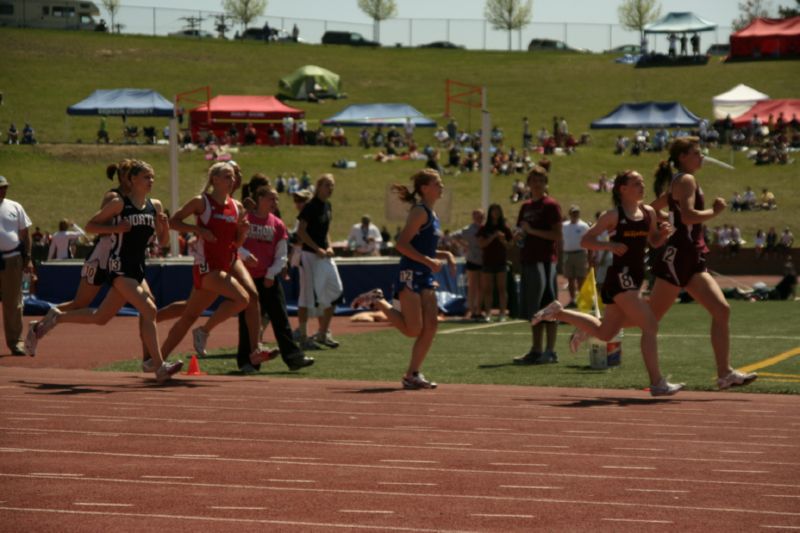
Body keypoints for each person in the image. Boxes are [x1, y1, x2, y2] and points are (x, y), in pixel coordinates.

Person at [25, 161, 184, 383]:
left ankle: (59, 318)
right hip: (118, 267)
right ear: (132, 179)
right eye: (147, 177)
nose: (152, 181)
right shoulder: (118, 203)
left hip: (138, 269)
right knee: (149, 309)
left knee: (101, 317)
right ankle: (158, 366)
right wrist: (115, 228)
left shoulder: (154, 205)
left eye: (153, 177)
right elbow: (90, 226)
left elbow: (164, 242)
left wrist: (164, 227)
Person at [533, 170, 682, 396]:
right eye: (636, 183)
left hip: (635, 275)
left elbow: (652, 240)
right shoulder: (613, 216)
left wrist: (662, 235)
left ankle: (559, 312)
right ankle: (657, 382)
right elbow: (586, 240)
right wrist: (609, 246)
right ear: (622, 189)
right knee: (650, 324)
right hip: (620, 277)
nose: (642, 186)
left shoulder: (649, 212)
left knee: (605, 332)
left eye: (643, 182)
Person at [648, 137, 757, 390]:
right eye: (697, 153)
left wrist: (668, 217)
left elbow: (652, 209)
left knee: (721, 310)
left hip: (691, 256)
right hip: (680, 256)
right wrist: (715, 212)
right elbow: (686, 216)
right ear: (683, 156)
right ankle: (599, 328)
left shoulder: (680, 180)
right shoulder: (685, 179)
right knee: (648, 317)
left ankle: (725, 373)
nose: (702, 156)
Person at [351, 169, 455, 389]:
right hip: (409, 273)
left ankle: (412, 374)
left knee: (432, 326)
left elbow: (422, 248)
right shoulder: (419, 212)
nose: (442, 186)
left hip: (424, 275)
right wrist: (428, 261)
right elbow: (401, 245)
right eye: (437, 183)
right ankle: (378, 300)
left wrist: (444, 255)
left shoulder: (433, 214)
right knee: (412, 330)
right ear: (425, 188)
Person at [159, 162, 262, 364]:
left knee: (189, 315)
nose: (231, 180)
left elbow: (236, 242)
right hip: (207, 266)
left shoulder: (237, 206)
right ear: (214, 179)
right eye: (226, 176)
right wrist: (199, 230)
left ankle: (157, 360)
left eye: (232, 177)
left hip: (225, 263)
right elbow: (173, 222)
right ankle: (202, 332)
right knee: (243, 299)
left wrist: (243, 231)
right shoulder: (201, 202)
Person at [237, 184, 314, 372]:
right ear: (260, 199)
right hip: (246, 277)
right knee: (248, 321)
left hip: (269, 278)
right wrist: (246, 255)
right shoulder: (246, 219)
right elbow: (234, 244)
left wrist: (271, 273)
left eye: (276, 199)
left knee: (280, 318)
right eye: (271, 198)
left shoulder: (277, 224)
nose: (275, 202)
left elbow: (281, 254)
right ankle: (248, 361)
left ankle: (294, 358)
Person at [513, 166, 563, 365]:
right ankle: (536, 349)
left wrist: (531, 231)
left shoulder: (550, 205)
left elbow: (556, 235)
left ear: (546, 183)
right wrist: (519, 235)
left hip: (545, 260)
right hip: (529, 259)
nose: (537, 183)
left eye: (541, 180)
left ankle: (550, 350)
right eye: (534, 180)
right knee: (534, 308)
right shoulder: (525, 206)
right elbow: (521, 231)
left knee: (548, 306)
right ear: (528, 183)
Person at [295, 174, 343, 349]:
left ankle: (323, 332)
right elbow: (301, 231)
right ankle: (303, 335)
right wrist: (317, 248)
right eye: (327, 185)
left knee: (335, 291)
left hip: (324, 256)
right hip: (309, 256)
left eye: (332, 185)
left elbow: (325, 231)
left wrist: (329, 246)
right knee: (307, 296)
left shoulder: (327, 205)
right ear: (319, 186)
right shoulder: (311, 206)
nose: (330, 188)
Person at [0, 175, 33, 355]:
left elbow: (25, 234)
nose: (3, 190)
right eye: (0, 187)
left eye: (5, 187)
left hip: (12, 259)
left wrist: (27, 258)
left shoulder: (15, 207)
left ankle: (15, 342)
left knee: (13, 302)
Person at [477, 204, 512, 321]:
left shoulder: (505, 228)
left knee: (502, 288)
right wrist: (493, 236)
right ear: (490, 212)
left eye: (498, 211)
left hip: (501, 261)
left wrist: (502, 240)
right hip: (488, 262)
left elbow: (509, 245)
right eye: (493, 211)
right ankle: (488, 313)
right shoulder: (484, 229)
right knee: (488, 289)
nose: (495, 213)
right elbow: (481, 244)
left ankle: (502, 313)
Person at [450, 209, 485, 321]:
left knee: (481, 287)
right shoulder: (468, 229)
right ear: (473, 217)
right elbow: (453, 236)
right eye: (477, 216)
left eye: (481, 216)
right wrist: (464, 245)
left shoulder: (485, 229)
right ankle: (471, 310)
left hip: (484, 260)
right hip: (472, 259)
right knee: (472, 287)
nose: (479, 218)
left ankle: (478, 310)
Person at [561, 205, 590, 308]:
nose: (575, 214)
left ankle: (582, 299)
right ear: (570, 214)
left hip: (580, 253)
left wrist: (589, 257)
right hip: (568, 254)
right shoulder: (564, 225)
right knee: (570, 278)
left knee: (581, 278)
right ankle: (572, 299)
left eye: (577, 212)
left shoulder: (583, 226)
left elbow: (588, 240)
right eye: (573, 213)